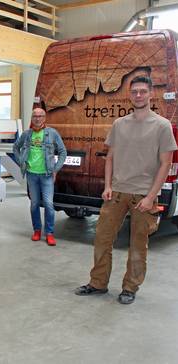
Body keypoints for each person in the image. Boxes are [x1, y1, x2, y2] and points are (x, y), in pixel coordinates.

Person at [75, 76, 177, 304]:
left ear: (151, 94)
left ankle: (130, 288)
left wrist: (152, 197)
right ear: (130, 95)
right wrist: (108, 185)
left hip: (144, 195)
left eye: (142, 91)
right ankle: (98, 283)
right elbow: (109, 158)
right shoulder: (119, 124)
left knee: (137, 245)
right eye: (134, 92)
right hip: (117, 192)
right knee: (102, 239)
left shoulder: (162, 126)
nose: (138, 95)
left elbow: (165, 164)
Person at [13, 107, 67, 246]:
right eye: (35, 116)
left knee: (49, 204)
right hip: (32, 175)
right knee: (34, 204)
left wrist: (56, 169)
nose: (37, 118)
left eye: (40, 116)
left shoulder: (52, 133)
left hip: (47, 175)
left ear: (44, 118)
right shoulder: (26, 134)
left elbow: (62, 152)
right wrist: (22, 162)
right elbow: (15, 148)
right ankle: (37, 230)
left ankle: (49, 233)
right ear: (32, 118)